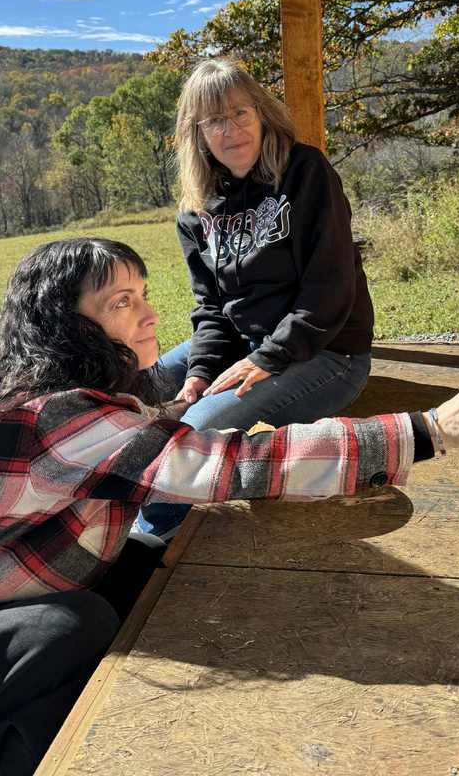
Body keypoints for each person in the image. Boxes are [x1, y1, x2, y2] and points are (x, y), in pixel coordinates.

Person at [0, 236, 459, 776]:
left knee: (143, 558)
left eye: (142, 294)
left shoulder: (33, 383)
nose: (150, 313)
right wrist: (429, 429)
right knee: (70, 629)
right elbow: (243, 464)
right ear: (66, 328)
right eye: (120, 303)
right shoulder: (59, 417)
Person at [138, 57, 376, 538]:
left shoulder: (305, 172)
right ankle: (90, 494)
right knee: (132, 387)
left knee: (195, 431)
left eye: (240, 114)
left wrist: (266, 358)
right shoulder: (196, 211)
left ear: (262, 114)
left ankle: (146, 539)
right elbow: (212, 310)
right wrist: (201, 372)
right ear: (197, 134)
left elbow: (330, 290)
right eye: (214, 121)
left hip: (327, 354)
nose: (230, 131)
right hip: (246, 348)